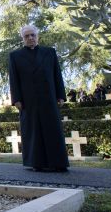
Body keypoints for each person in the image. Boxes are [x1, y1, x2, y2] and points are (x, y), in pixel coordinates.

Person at [8, 25, 69, 172]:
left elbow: (57, 74)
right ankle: (37, 163)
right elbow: (14, 79)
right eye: (27, 36)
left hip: (49, 97)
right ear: (22, 39)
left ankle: (58, 163)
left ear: (37, 36)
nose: (30, 38)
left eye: (33, 35)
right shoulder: (15, 56)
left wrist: (60, 95)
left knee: (53, 130)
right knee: (33, 131)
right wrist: (16, 99)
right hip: (28, 100)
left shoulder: (50, 52)